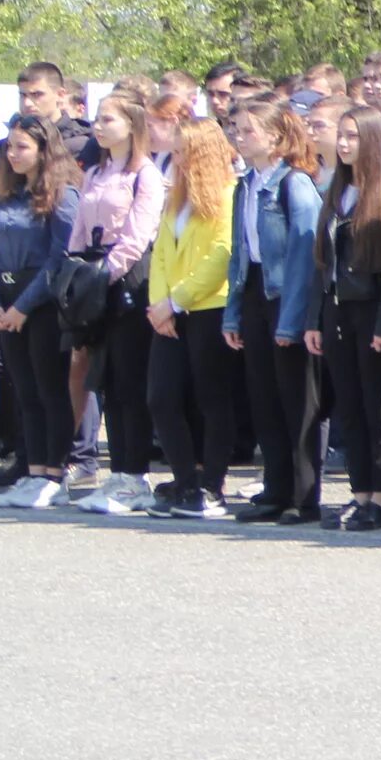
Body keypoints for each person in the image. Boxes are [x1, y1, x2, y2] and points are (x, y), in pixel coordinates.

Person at [222, 98, 326, 523]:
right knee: (263, 398)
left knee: (297, 401)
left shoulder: (294, 183)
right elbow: (239, 252)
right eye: (236, 129)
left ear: (276, 137)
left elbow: (306, 253)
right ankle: (276, 488)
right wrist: (232, 312)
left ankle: (303, 497)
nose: (239, 137)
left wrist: (293, 318)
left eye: (248, 131)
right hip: (255, 295)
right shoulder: (246, 184)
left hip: (287, 297)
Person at [308, 106, 381, 532]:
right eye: (342, 136)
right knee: (349, 403)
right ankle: (360, 492)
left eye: (353, 137)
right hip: (338, 308)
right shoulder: (338, 190)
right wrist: (316, 318)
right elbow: (324, 263)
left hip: (373, 310)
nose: (344, 144)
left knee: (379, 406)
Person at [66, 94, 165, 514]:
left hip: (128, 280)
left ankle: (134, 475)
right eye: (97, 120)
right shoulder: (97, 172)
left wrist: (105, 273)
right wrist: (74, 271)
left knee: (129, 380)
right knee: (105, 379)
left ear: (131, 124)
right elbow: (80, 226)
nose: (99, 127)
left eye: (109, 120)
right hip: (94, 277)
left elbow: (139, 236)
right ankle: (119, 472)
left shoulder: (145, 174)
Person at [143, 119, 239, 519]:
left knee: (212, 399)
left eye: (184, 151)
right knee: (161, 397)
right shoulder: (176, 197)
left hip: (207, 307)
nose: (177, 158)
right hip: (168, 312)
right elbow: (162, 251)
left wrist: (177, 300)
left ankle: (211, 485)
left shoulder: (229, 193)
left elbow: (221, 254)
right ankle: (184, 480)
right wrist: (159, 304)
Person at [0, 117, 80, 507]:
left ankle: (55, 474)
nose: (12, 154)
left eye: (21, 147)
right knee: (25, 392)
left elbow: (59, 258)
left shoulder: (61, 193)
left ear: (43, 150)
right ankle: (34, 470)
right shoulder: (8, 193)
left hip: (41, 302)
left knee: (49, 390)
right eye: (10, 147)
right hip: (5, 299)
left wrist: (24, 306)